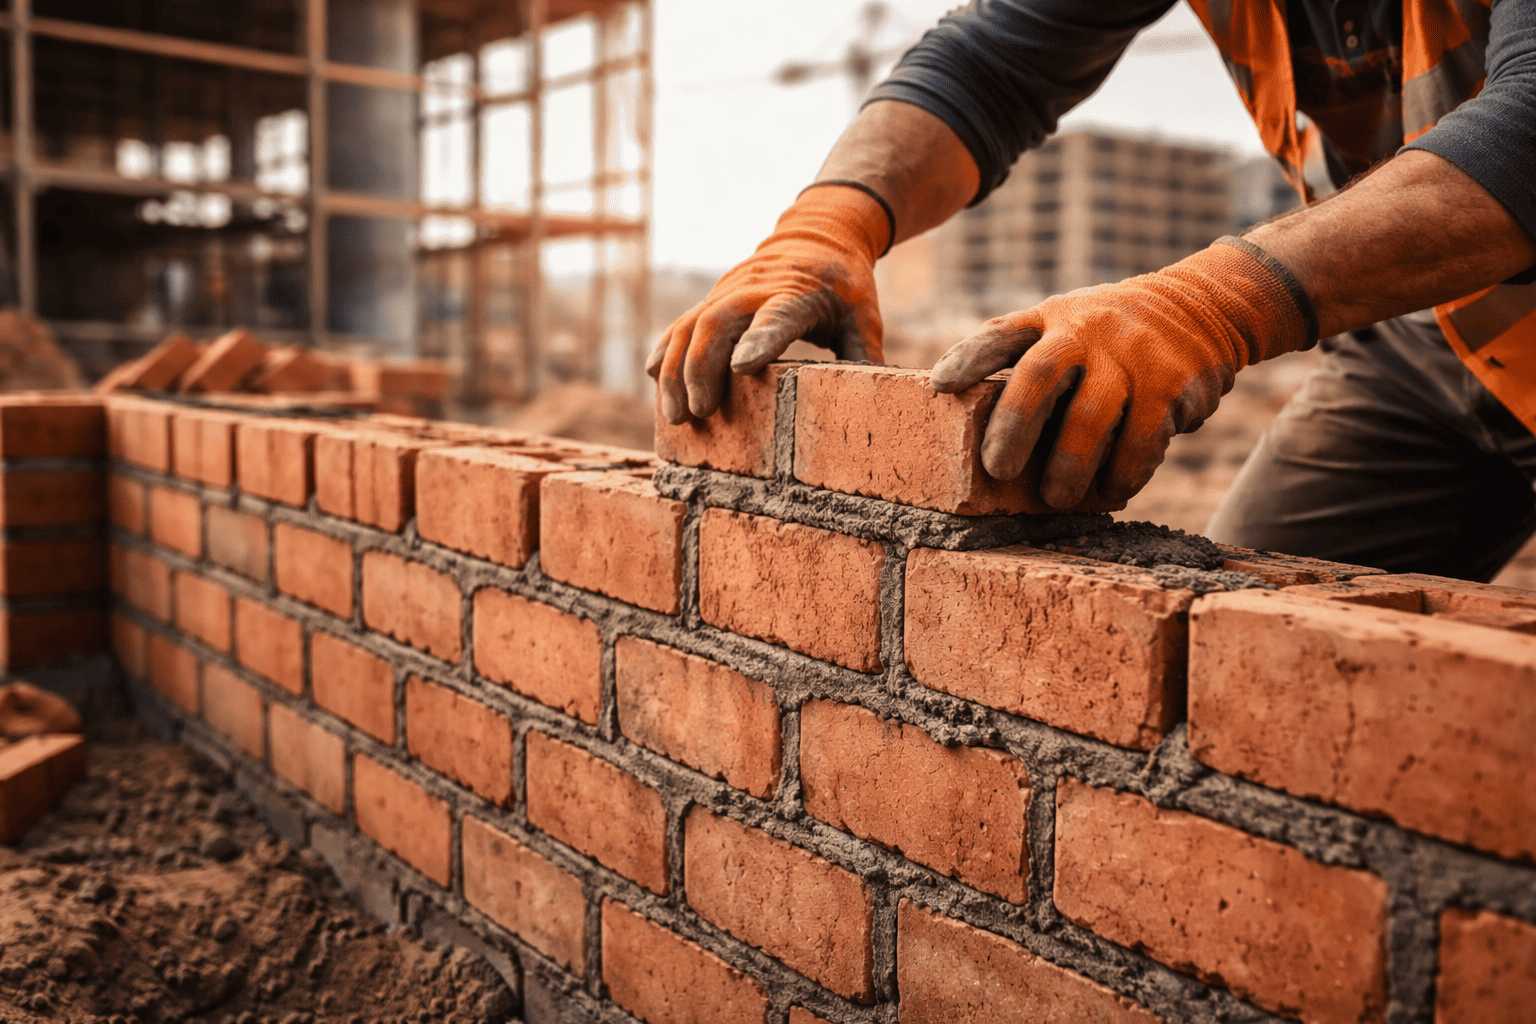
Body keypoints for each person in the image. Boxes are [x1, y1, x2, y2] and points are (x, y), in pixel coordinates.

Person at [649, 0, 1536, 582]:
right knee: (1239, 672)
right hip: (1425, 347)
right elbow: (989, 67)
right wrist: (825, 228)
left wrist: (1207, 305)